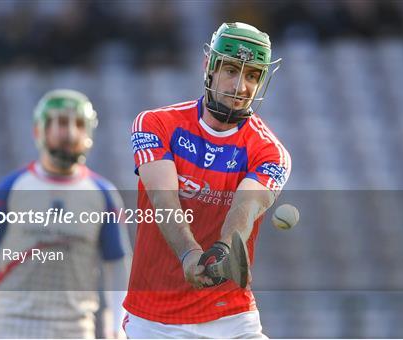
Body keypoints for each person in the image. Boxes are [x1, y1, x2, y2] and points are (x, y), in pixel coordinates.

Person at [125, 22, 291, 338]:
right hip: (153, 322)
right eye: (231, 70)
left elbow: (244, 210)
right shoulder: (155, 124)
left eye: (253, 75)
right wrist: (189, 253)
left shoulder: (271, 152)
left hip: (231, 319)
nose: (240, 86)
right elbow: (163, 199)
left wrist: (224, 252)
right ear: (209, 67)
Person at [0, 89, 132, 339]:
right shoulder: (11, 188)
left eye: (79, 124)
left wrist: (116, 326)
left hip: (75, 330)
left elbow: (117, 266)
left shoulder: (104, 195)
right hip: (10, 327)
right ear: (39, 130)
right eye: (60, 123)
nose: (70, 134)